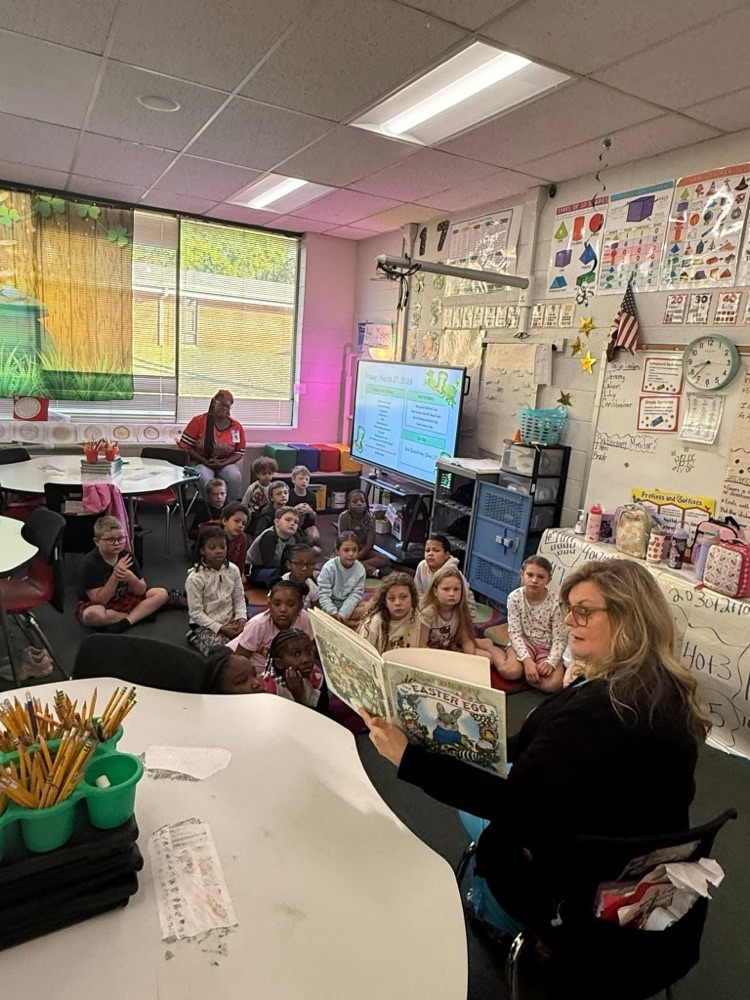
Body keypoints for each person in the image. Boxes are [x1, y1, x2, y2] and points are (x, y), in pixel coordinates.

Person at [360, 559, 707, 939]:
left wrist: (406, 757)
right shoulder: (662, 689)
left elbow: (508, 803)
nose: (569, 621)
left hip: (571, 880)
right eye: (569, 609)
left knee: (472, 810)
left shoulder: (599, 712)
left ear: (627, 618)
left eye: (583, 611)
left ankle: (496, 918)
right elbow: (546, 750)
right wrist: (464, 743)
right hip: (629, 862)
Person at [76, 516, 169, 632]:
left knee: (161, 593)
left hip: (124, 597)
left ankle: (127, 621)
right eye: (110, 540)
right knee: (92, 615)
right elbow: (100, 600)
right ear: (97, 542)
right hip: (101, 604)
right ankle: (140, 615)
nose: (117, 543)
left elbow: (141, 590)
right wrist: (115, 576)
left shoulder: (127, 556)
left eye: (121, 538)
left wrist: (130, 577)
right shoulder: (89, 564)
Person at [496, 555, 568, 694]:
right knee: (510, 671)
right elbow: (515, 632)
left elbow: (560, 638)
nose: (534, 580)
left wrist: (550, 662)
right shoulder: (514, 597)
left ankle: (526, 673)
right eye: (530, 575)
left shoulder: (556, 603)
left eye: (540, 577)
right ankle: (492, 649)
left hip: (546, 648)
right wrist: (527, 661)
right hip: (524, 642)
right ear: (522, 574)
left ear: (548, 579)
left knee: (553, 685)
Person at [419, 565, 506, 673]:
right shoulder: (428, 613)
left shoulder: (460, 611)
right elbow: (421, 645)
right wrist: (443, 660)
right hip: (433, 655)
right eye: (446, 589)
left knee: (487, 658)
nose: (452, 594)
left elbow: (466, 640)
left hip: (451, 648)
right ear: (435, 591)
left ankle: (487, 646)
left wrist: (469, 657)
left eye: (456, 589)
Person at [186, 525, 247, 656]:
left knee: (251, 640)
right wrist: (221, 628)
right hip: (205, 625)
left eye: (222, 547)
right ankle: (195, 637)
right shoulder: (195, 578)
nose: (219, 551)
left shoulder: (233, 570)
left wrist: (241, 618)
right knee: (224, 652)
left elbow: (239, 598)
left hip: (229, 619)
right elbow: (196, 613)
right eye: (212, 548)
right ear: (202, 550)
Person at [226, 580, 313, 671]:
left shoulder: (304, 618)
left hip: (276, 666)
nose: (283, 609)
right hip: (241, 662)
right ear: (269, 605)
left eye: (290, 605)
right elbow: (239, 658)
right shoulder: (258, 625)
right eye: (277, 604)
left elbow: (308, 648)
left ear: (300, 607)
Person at [179, 389, 245, 500]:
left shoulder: (235, 427)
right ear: (214, 403)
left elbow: (239, 452)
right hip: (201, 462)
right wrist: (204, 460)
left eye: (227, 406)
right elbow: (186, 446)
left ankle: (230, 508)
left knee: (234, 477)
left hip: (225, 463)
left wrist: (223, 463)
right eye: (221, 404)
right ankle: (211, 508)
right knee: (206, 479)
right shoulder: (198, 421)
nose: (224, 408)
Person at [358, 572, 421, 653]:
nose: (398, 603)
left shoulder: (417, 618)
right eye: (391, 598)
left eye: (403, 597)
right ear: (385, 602)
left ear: (412, 597)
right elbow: (363, 653)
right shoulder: (375, 622)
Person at [263, 628, 325, 708]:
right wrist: (299, 698)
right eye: (296, 654)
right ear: (279, 663)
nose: (306, 659)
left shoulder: (315, 676)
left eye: (309, 652)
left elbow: (324, 711)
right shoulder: (269, 690)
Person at [336, 490, 390, 578]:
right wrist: (352, 554)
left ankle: (355, 567)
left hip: (363, 551)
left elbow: (370, 544)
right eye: (354, 502)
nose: (359, 504)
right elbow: (342, 541)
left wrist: (358, 555)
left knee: (385, 559)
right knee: (342, 559)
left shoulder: (371, 518)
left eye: (362, 501)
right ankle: (371, 571)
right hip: (346, 550)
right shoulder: (344, 517)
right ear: (348, 504)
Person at [317, 531, 367, 625]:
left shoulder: (360, 569)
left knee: (371, 607)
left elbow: (355, 595)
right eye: (346, 550)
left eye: (354, 550)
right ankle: (346, 622)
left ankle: (343, 621)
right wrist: (333, 612)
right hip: (330, 606)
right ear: (337, 551)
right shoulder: (329, 568)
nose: (351, 554)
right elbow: (323, 594)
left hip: (348, 607)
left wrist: (343, 614)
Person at [247, 506, 300, 586]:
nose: (292, 523)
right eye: (288, 520)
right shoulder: (269, 535)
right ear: (276, 522)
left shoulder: (295, 537)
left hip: (279, 568)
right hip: (255, 569)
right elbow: (269, 563)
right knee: (278, 576)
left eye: (296, 522)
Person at [287, 465, 321, 551]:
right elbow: (283, 513)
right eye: (301, 479)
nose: (304, 481)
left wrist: (310, 511)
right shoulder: (288, 495)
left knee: (315, 537)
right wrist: (294, 510)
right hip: (292, 523)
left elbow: (314, 516)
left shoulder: (312, 496)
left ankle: (305, 546)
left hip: (307, 524)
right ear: (293, 479)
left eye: (306, 479)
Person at [280, 543, 320, 609]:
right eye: (299, 563)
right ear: (289, 564)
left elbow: (316, 608)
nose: (305, 568)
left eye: (310, 564)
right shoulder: (280, 583)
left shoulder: (311, 585)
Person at [220, 501, 250, 581]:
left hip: (231, 574)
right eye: (236, 521)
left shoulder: (243, 539)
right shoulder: (214, 536)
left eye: (244, 523)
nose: (240, 525)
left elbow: (240, 565)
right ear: (224, 521)